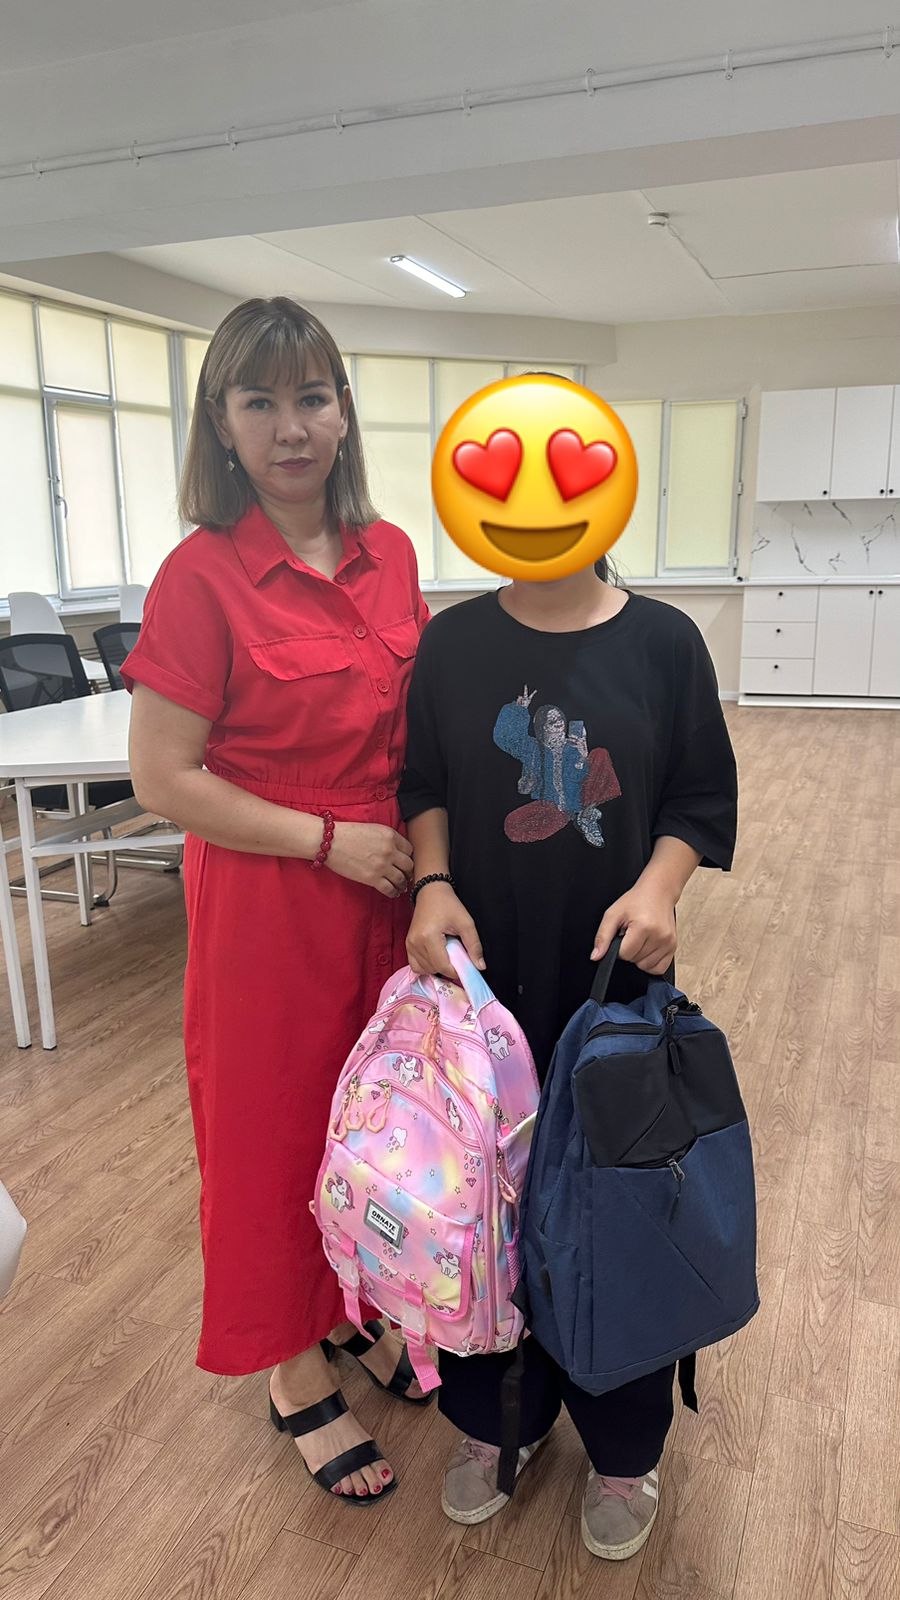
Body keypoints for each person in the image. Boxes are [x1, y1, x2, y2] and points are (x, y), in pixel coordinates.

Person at [124, 297, 431, 1507]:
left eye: (311, 397)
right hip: (271, 893)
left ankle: (352, 1305)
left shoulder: (391, 553)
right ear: (223, 422)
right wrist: (324, 841)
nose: (290, 427)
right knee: (270, 1130)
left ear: (345, 411)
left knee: (376, 1120)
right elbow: (164, 779)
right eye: (261, 402)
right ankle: (291, 1366)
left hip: (383, 880)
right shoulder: (200, 578)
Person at [399, 547, 737, 1559]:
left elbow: (696, 797)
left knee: (617, 1207)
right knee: (483, 1206)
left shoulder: (665, 642)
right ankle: (496, 1414)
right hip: (483, 985)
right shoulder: (453, 643)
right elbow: (425, 782)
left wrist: (660, 889)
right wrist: (431, 882)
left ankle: (624, 1442)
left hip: (612, 984)